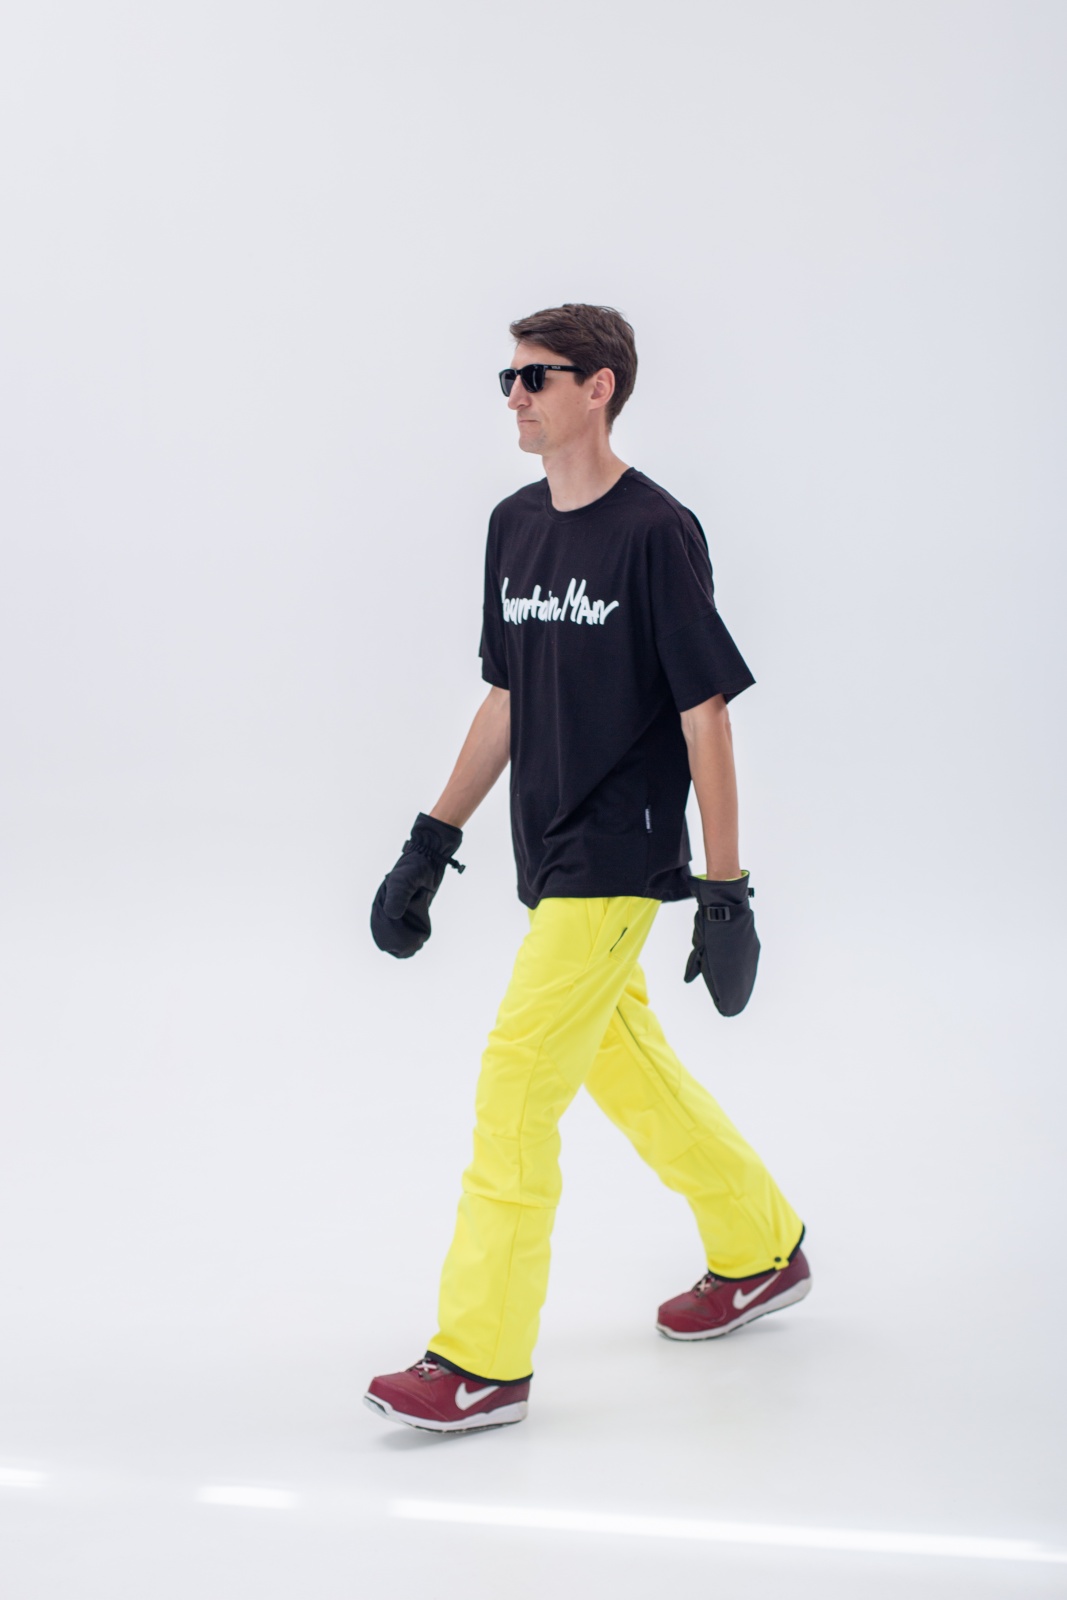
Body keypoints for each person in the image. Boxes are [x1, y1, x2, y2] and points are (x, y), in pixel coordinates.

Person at [363, 303, 810, 1435]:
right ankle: (760, 1244)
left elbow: (705, 712)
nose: (514, 396)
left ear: (598, 386)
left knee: (516, 1079)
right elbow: (507, 697)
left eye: (537, 377)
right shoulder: (513, 527)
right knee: (622, 1063)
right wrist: (430, 841)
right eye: (507, 379)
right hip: (544, 844)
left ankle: (479, 1359)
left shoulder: (654, 531)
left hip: (616, 848)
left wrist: (725, 891)